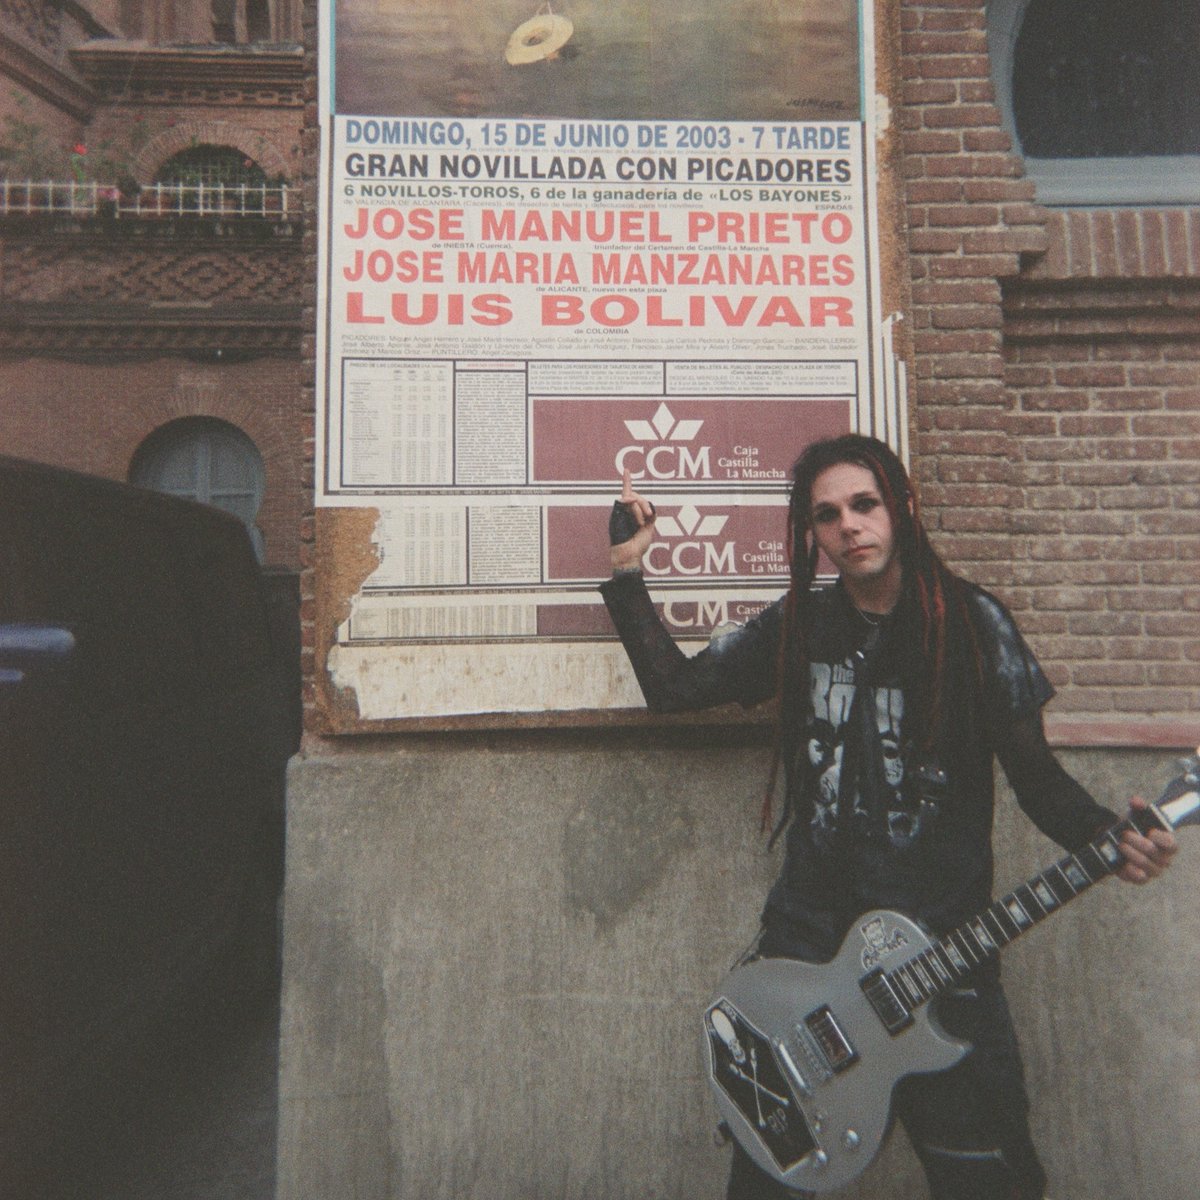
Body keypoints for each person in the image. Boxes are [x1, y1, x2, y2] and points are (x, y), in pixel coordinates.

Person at [599, 434, 1176, 1200]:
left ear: (902, 507)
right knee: (771, 1186)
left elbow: (1038, 781)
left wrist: (1109, 835)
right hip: (806, 962)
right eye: (827, 514)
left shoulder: (974, 626)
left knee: (989, 1183)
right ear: (812, 531)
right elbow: (674, 689)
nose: (849, 526)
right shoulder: (801, 624)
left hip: (945, 959)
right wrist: (627, 567)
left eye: (864, 504)